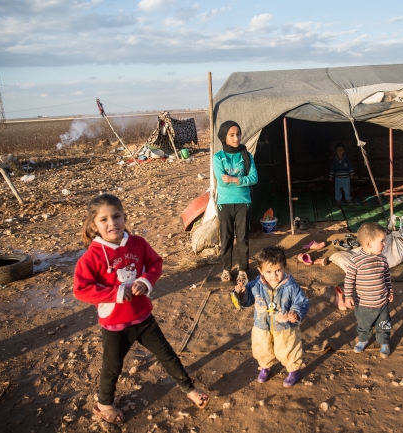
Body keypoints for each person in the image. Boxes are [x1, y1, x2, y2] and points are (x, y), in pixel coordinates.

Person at [73, 194, 209, 424]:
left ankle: (190, 389)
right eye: (104, 219)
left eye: (116, 216)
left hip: (143, 317)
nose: (112, 223)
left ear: (124, 217)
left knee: (167, 355)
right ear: (93, 226)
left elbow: (155, 263)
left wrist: (146, 280)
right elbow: (81, 289)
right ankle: (104, 404)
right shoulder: (91, 257)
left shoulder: (138, 243)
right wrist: (114, 293)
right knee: (112, 366)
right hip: (114, 324)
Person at [233, 246, 309, 387]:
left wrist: (296, 313)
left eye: (278, 270)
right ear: (260, 270)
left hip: (285, 327)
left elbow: (301, 302)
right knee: (262, 348)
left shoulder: (291, 286)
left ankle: (293, 370)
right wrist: (241, 294)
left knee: (289, 348)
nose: (273, 276)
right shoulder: (255, 285)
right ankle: (265, 366)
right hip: (261, 326)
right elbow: (246, 301)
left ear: (284, 267)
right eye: (268, 272)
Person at [213, 120, 258, 284]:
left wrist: (233, 178)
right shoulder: (218, 157)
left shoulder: (247, 155)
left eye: (238, 134)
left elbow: (254, 178)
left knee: (243, 237)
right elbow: (221, 181)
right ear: (224, 137)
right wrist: (241, 180)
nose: (236, 138)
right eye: (232, 135)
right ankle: (226, 269)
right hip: (224, 202)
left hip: (243, 201)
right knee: (226, 236)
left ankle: (242, 270)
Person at [344, 221, 393, 359]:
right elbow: (349, 280)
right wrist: (348, 296)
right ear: (368, 243)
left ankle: (384, 342)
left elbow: (387, 276)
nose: (384, 245)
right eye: (382, 241)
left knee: (384, 324)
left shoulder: (382, 259)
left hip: (382, 302)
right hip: (364, 303)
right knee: (364, 325)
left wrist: (390, 290)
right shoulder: (356, 261)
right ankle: (363, 340)